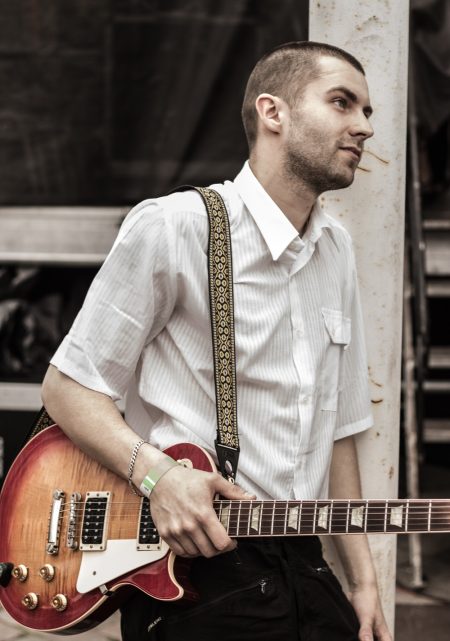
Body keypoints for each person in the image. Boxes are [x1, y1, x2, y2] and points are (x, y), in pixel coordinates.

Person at [42, 41, 392, 641]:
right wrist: (159, 478)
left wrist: (363, 584)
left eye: (366, 111)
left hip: (304, 560)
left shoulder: (335, 249)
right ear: (273, 112)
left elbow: (338, 429)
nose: (364, 127)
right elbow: (68, 387)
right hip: (198, 567)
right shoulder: (178, 226)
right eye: (342, 102)